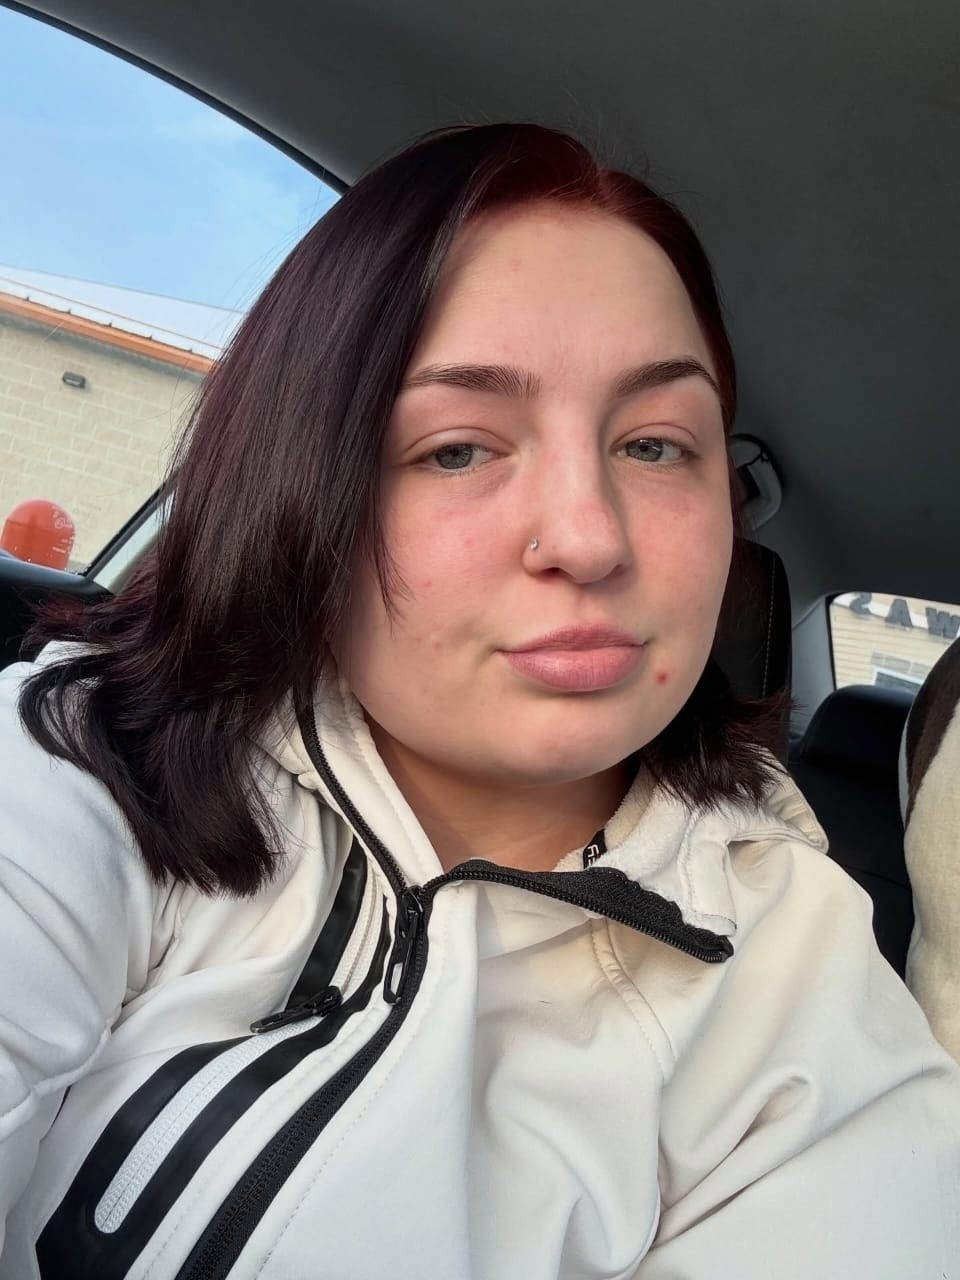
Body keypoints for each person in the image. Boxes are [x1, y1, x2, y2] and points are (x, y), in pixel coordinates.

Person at [0, 123, 957, 1280]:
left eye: (656, 445)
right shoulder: (89, 752)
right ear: (303, 484)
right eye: (457, 449)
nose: (590, 537)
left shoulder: (805, 988)